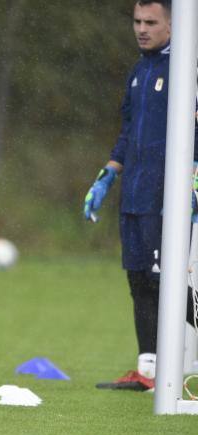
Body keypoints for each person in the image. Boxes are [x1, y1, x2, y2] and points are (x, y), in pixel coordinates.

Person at [84, 0, 198, 390]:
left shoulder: (185, 71)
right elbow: (128, 133)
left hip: (167, 198)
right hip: (134, 194)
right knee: (138, 278)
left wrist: (192, 180)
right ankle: (147, 371)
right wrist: (105, 179)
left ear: (173, 25)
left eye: (151, 21)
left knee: (166, 281)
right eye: (137, 21)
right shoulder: (139, 71)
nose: (142, 28)